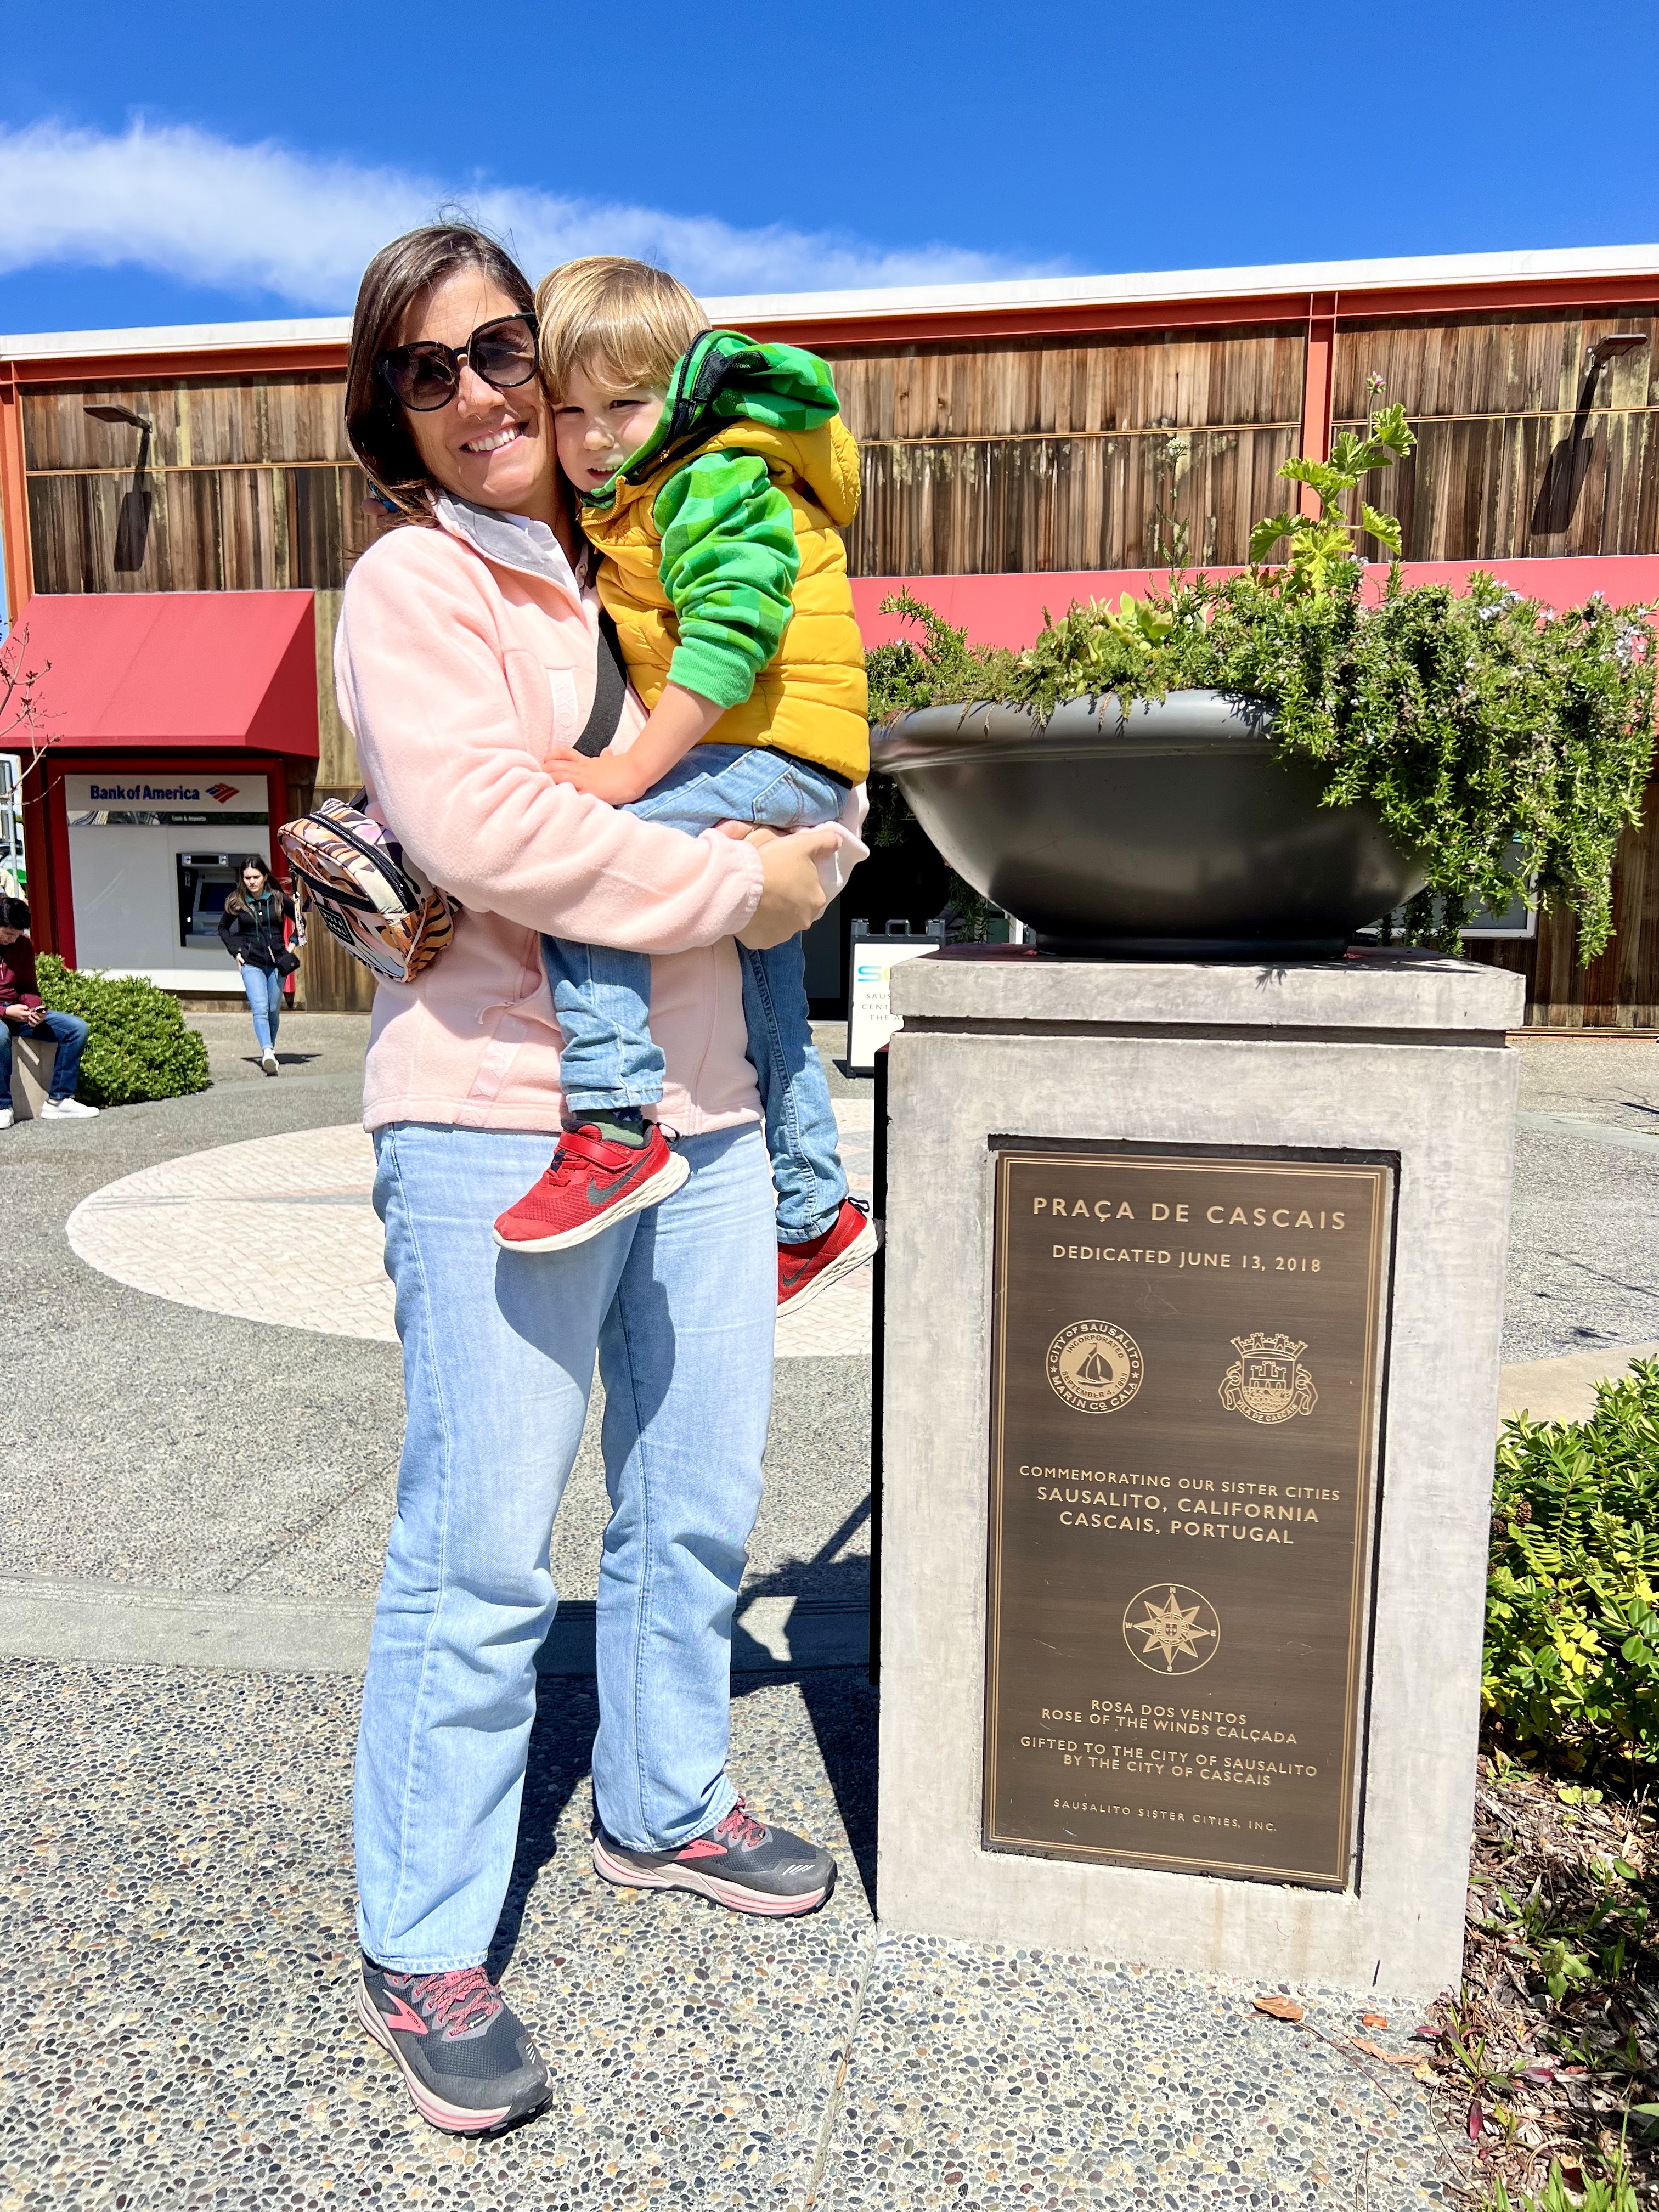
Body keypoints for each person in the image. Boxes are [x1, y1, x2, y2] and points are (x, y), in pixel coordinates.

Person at [337, 225, 855, 2140]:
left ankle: (660, 1802)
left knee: (696, 1501)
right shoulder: (416, 583)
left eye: (501, 350)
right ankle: (424, 1935)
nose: (479, 394)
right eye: (428, 370)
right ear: (392, 413)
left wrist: (809, 851)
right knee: (482, 1549)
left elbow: (805, 749)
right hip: (493, 1111)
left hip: (706, 1115)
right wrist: (748, 887)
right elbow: (492, 834)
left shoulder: (654, 531)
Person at [488, 259, 876, 1319]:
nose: (593, 437)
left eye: (623, 404)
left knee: (591, 867)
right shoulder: (655, 485)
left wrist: (626, 774)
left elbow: (727, 640)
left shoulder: (708, 476)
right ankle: (814, 1207)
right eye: (568, 412)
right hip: (798, 752)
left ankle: (614, 1116)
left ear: (689, 391)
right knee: (765, 980)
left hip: (769, 744)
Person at [0, 896, 97, 1125]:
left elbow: (28, 988)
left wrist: (35, 1010)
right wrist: (5, 1013)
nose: (13, 940)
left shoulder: (23, 944)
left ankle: (59, 1101)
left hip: (19, 1011)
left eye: (18, 935)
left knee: (77, 1029)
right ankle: (3, 1106)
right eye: (8, 934)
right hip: (6, 1013)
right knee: (1, 1036)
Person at [218, 856, 295, 1075]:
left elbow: (301, 923)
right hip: (252, 962)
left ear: (265, 877)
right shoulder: (237, 901)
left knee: (272, 1010)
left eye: (256, 877)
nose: (251, 882)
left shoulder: (279, 899)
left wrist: (292, 945)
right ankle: (267, 1052)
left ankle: (270, 1048)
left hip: (278, 962)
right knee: (260, 1008)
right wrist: (236, 951)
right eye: (247, 878)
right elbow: (223, 928)